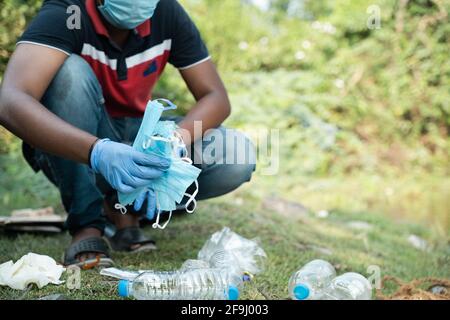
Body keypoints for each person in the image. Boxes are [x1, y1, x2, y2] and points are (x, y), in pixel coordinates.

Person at [0, 0, 256, 268]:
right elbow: (11, 100)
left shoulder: (166, 13)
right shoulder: (68, 12)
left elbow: (216, 97)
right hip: (80, 142)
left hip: (139, 132)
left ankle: (127, 209)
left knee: (235, 154)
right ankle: (87, 225)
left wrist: (173, 141)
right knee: (69, 72)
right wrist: (97, 151)